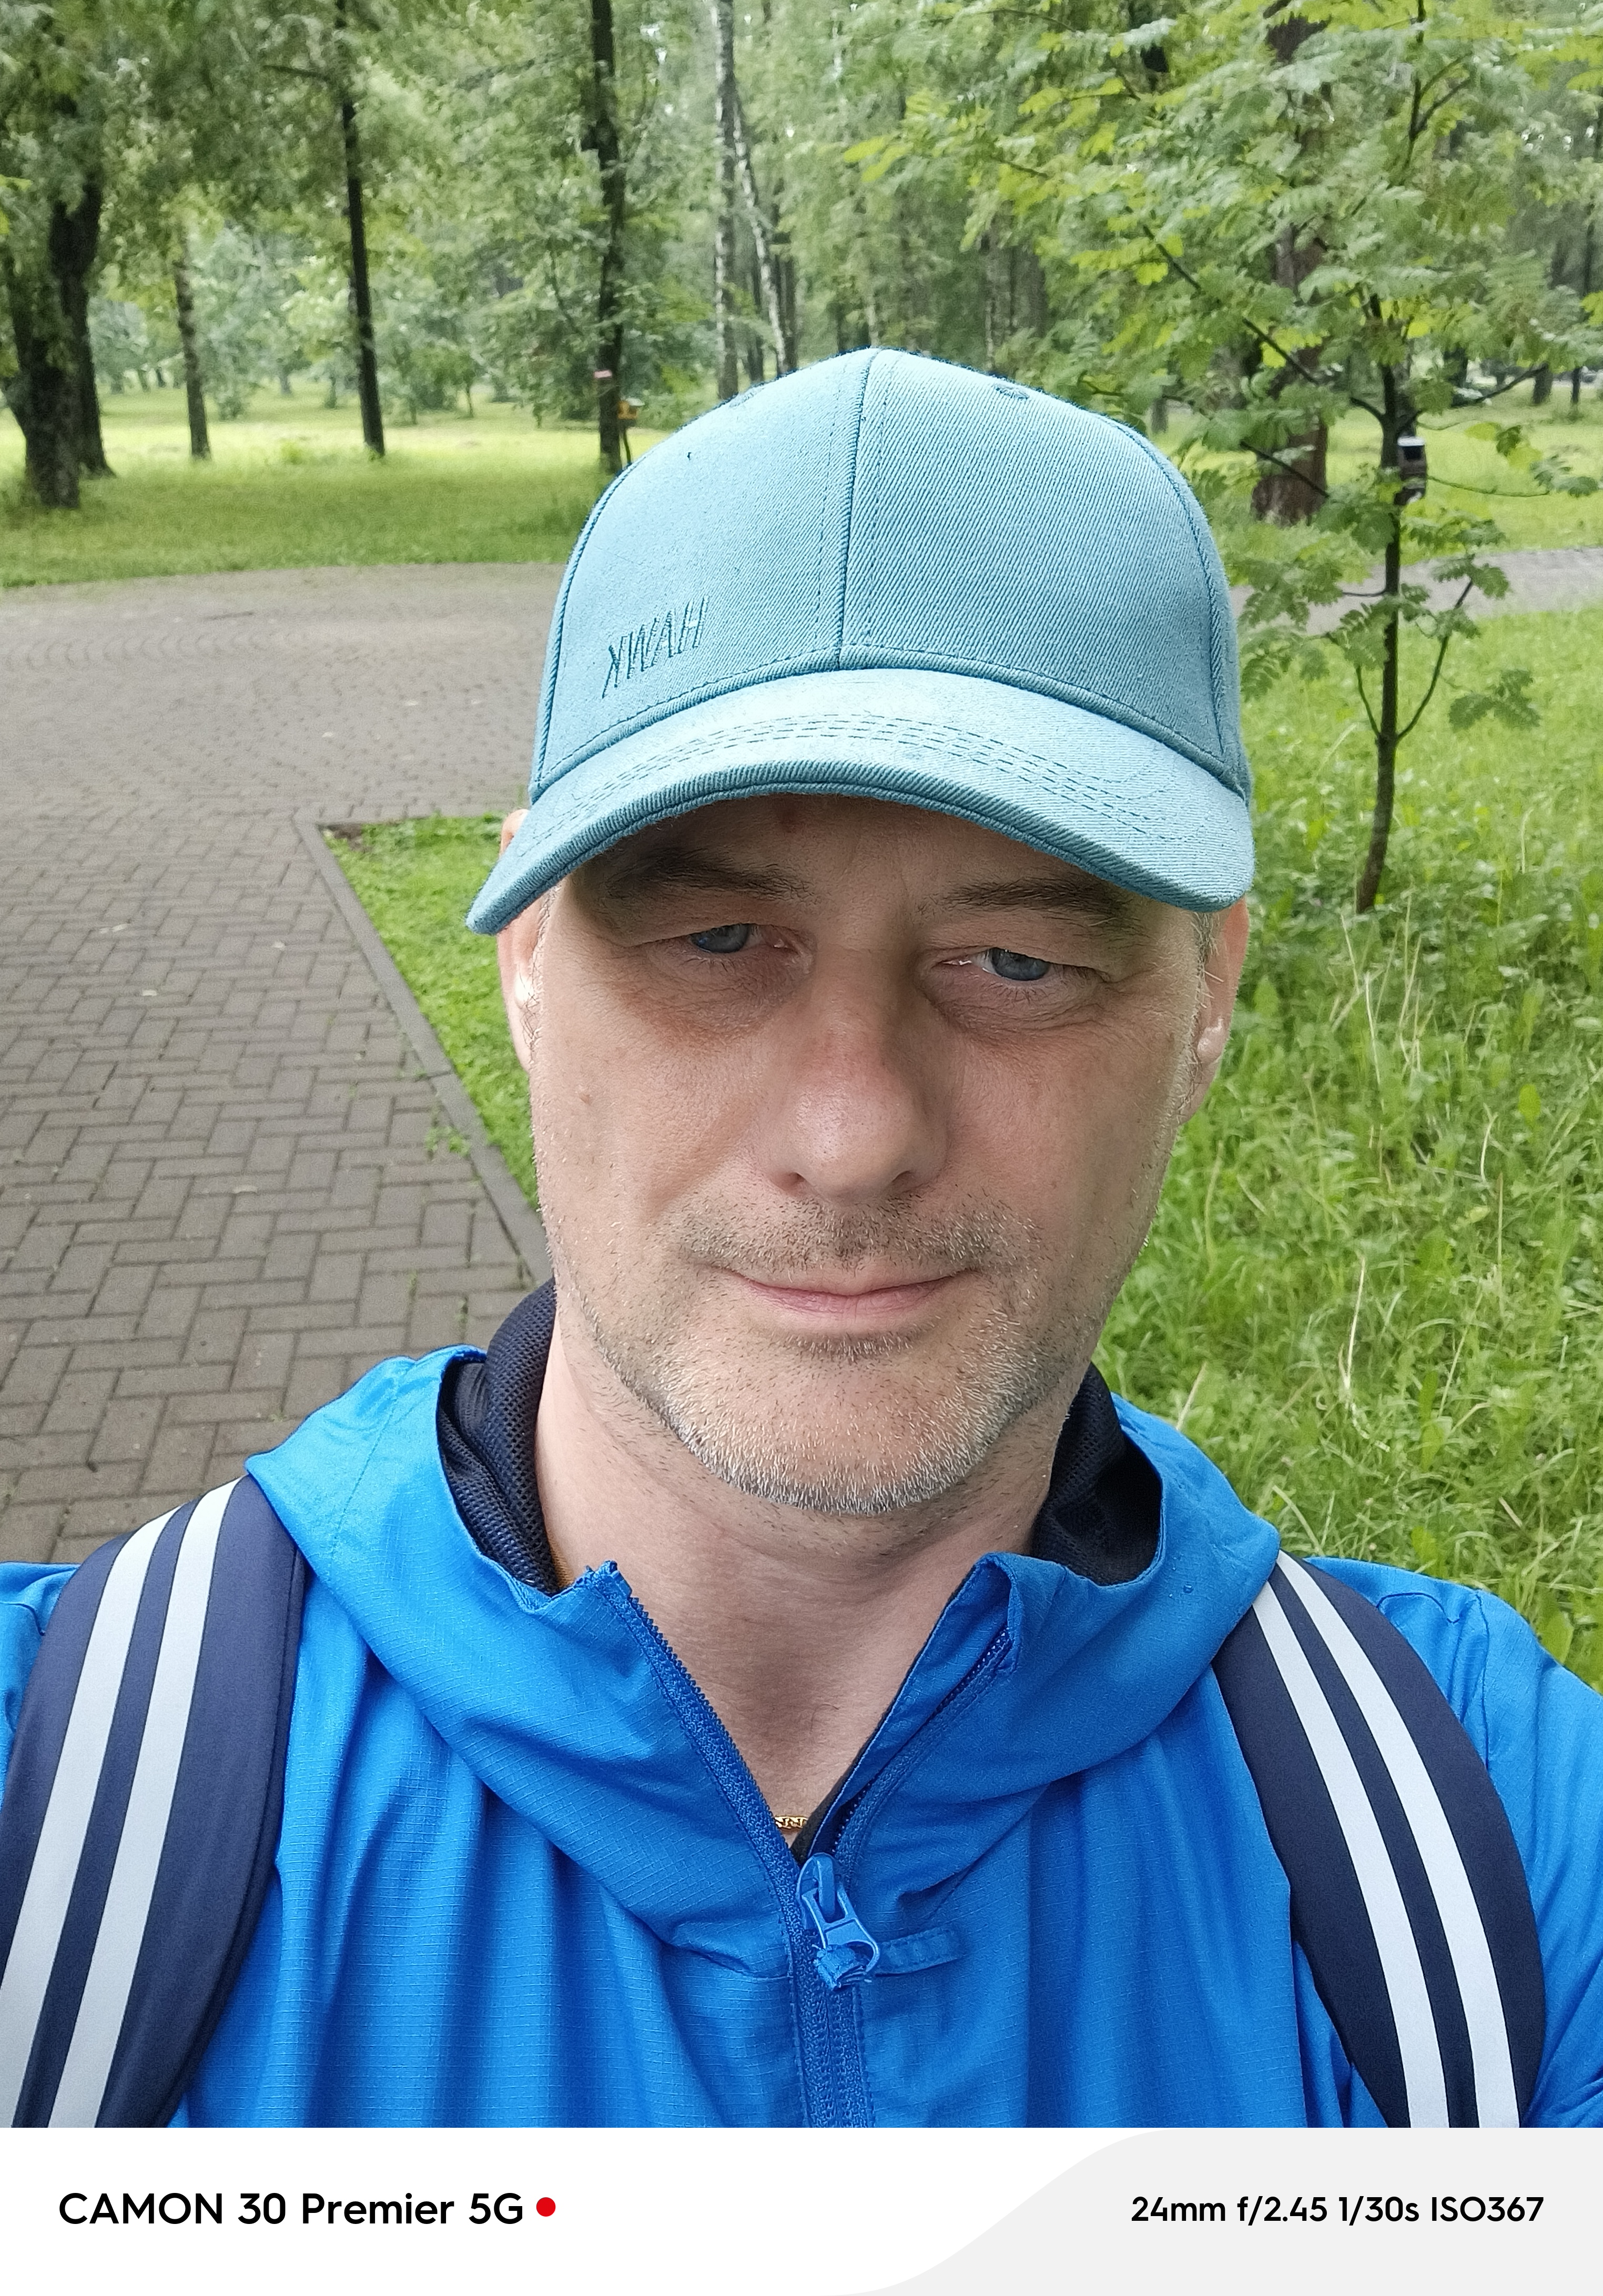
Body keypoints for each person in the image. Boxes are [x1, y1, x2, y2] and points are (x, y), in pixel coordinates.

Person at [2, 350, 1600, 2129]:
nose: (852, 1139)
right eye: (715, 944)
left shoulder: (1488, 1850)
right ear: (527, 960)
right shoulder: (70, 1819)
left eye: (1016, 961)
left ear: (1207, 994)